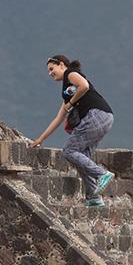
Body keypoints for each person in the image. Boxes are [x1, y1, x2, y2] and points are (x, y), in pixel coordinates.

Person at [29, 55, 115, 207]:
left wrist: (71, 104)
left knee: (69, 151)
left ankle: (102, 174)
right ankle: (93, 197)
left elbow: (84, 86)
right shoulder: (66, 93)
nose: (50, 73)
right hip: (105, 117)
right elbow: (58, 119)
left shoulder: (70, 73)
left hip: (95, 114)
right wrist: (40, 139)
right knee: (81, 157)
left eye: (51, 69)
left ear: (61, 65)